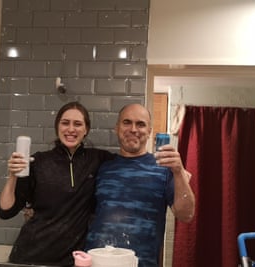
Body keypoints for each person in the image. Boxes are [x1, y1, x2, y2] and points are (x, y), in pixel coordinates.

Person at [0, 101, 114, 266]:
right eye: (65, 123)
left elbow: (130, 162)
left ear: (86, 129)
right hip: (30, 257)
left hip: (71, 259)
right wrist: (12, 176)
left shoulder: (98, 159)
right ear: (57, 126)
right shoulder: (38, 161)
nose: (71, 129)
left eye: (78, 124)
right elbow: (6, 211)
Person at [84, 103, 195, 267]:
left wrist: (179, 172)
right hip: (97, 261)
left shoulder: (165, 169)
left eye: (141, 124)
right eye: (127, 122)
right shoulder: (101, 166)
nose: (133, 129)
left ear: (149, 131)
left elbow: (186, 215)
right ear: (117, 128)